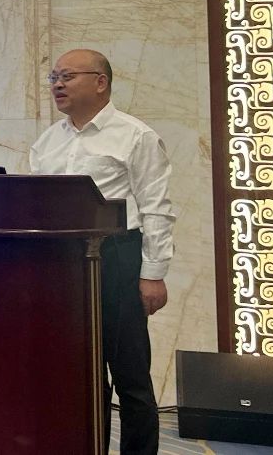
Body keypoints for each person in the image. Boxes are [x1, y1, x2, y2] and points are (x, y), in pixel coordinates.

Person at [29, 49, 174, 455]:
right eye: (53, 77)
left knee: (130, 376)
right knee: (81, 375)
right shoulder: (47, 142)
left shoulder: (135, 136)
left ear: (100, 82)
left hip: (117, 259)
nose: (57, 84)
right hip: (63, 265)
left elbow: (156, 208)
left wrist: (153, 273)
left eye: (67, 76)